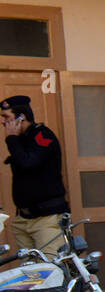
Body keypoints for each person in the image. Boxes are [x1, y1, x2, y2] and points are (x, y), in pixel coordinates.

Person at [2, 94, 69, 259]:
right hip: (23, 220)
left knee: (52, 270)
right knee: (31, 273)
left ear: (21, 117)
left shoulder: (42, 135)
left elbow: (28, 162)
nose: (3, 122)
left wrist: (10, 139)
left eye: (6, 117)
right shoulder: (20, 139)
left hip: (46, 219)